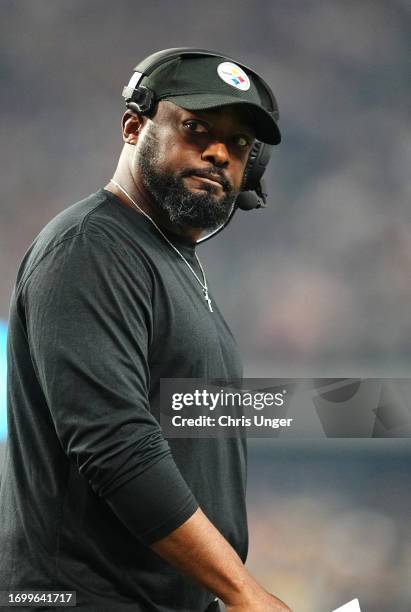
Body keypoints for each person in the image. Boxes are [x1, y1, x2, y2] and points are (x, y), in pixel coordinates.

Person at [0, 49, 291, 611]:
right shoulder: (92, 248)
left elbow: (188, 409)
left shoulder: (168, 258)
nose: (219, 154)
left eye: (239, 145)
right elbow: (118, 446)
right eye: (197, 128)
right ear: (134, 127)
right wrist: (243, 593)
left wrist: (360, 410)